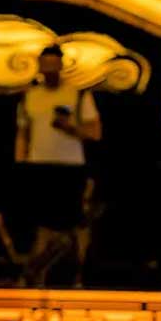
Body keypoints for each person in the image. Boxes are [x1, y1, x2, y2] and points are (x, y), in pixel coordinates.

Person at [15, 45, 100, 286]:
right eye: (46, 64)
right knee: (42, 227)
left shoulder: (77, 94)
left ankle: (77, 274)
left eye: (55, 64)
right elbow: (23, 133)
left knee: (73, 226)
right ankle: (36, 274)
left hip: (70, 167)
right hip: (39, 167)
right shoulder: (30, 96)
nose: (50, 69)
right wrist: (21, 163)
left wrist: (70, 127)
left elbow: (95, 132)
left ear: (61, 65)